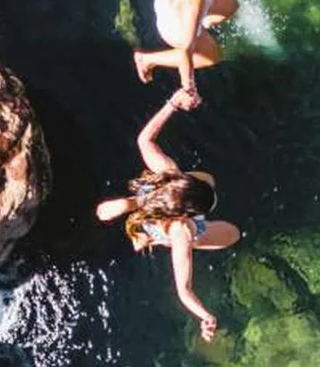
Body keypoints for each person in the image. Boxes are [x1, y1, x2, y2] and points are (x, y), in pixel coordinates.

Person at [97, 96, 242, 340]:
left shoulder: (168, 173)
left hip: (153, 205)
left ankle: (134, 213)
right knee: (233, 234)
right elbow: (183, 289)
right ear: (187, 214)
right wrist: (205, 316)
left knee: (208, 181)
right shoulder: (182, 231)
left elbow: (144, 140)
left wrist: (172, 104)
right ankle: (149, 236)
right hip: (166, 229)